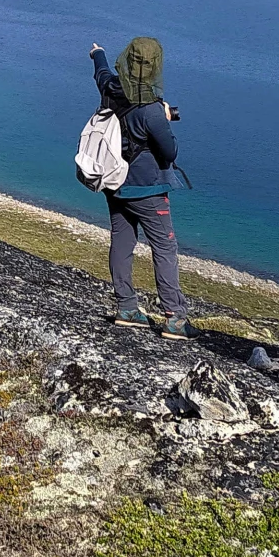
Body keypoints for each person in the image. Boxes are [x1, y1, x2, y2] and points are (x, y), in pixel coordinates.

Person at [90, 37, 195, 339]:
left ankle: (127, 308)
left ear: (128, 61)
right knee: (165, 247)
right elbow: (170, 152)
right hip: (147, 189)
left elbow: (101, 72)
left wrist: (98, 53)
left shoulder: (111, 89)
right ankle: (175, 318)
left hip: (115, 183)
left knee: (122, 241)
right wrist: (164, 117)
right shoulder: (151, 111)